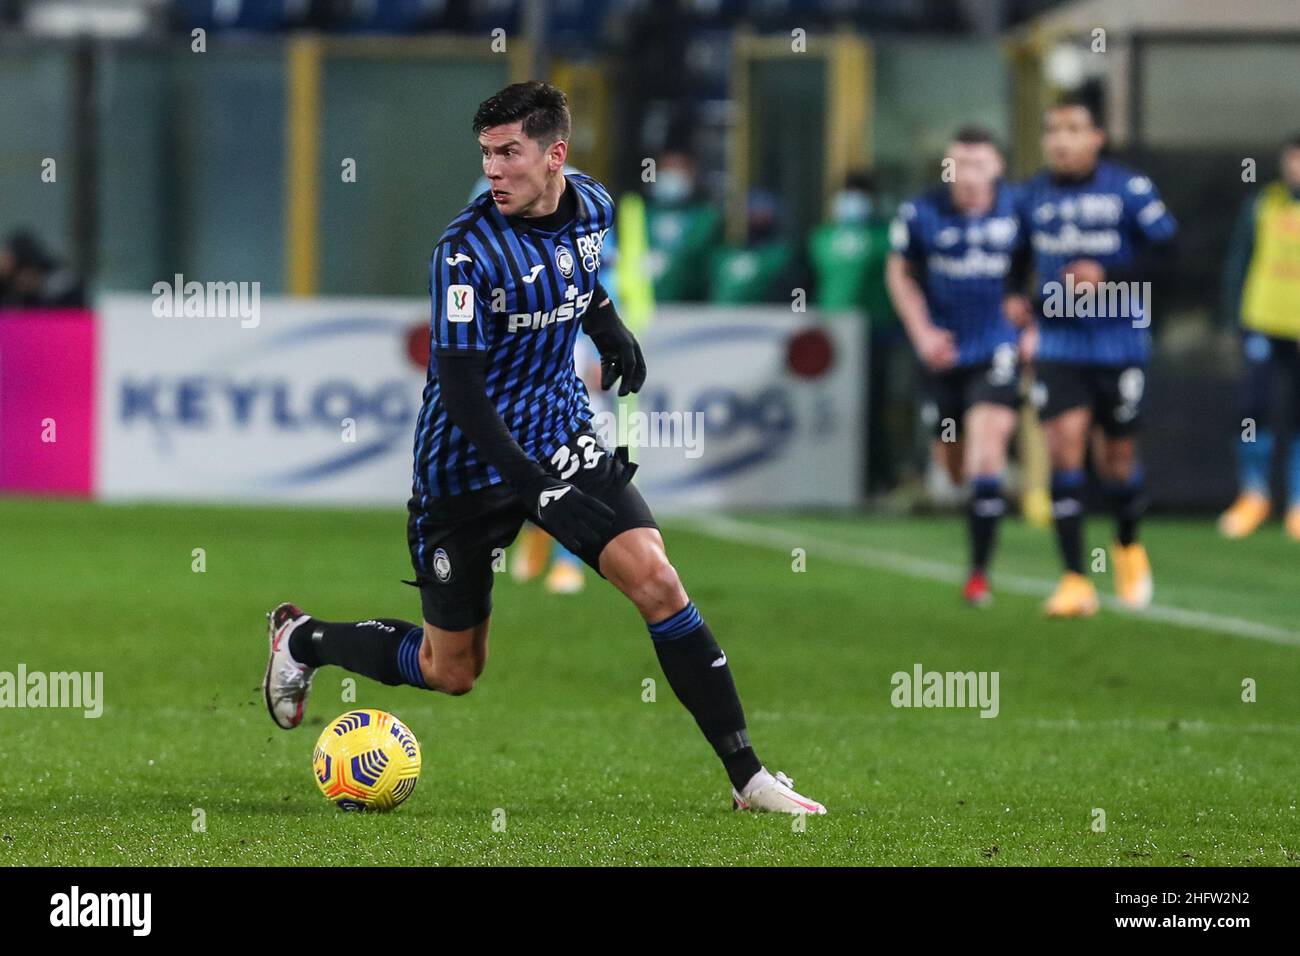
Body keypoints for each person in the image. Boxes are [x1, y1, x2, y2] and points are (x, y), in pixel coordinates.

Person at [262, 81, 824, 815]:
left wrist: (608, 324)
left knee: (657, 580)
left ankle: (749, 778)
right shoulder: (464, 252)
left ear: (555, 154)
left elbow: (578, 274)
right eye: (487, 154)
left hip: (560, 437)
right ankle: (302, 640)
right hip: (464, 470)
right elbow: (460, 389)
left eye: (509, 153)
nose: (493, 169)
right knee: (452, 670)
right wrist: (533, 489)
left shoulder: (590, 204)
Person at [1007, 93, 1177, 617]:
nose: (1060, 140)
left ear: (1097, 137)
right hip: (1060, 342)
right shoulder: (1030, 196)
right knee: (1064, 445)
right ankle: (1075, 579)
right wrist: (1016, 299)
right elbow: (1014, 259)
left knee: (1117, 460)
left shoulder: (1130, 189)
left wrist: (1108, 276)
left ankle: (1127, 544)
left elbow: (1168, 253)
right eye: (1052, 130)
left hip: (1120, 341)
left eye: (1073, 129)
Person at [886, 127, 1027, 606]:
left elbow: (1044, 266)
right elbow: (899, 272)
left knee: (986, 457)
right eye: (958, 165)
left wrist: (1033, 320)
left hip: (997, 349)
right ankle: (983, 488)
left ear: (997, 168)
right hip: (943, 353)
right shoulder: (921, 213)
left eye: (977, 165)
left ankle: (978, 576)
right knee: (955, 465)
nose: (966, 175)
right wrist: (923, 333)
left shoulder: (1020, 210)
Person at [1217, 133, 1300, 541]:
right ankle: (1253, 494)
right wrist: (1234, 319)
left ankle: (1299, 504)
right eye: (1293, 159)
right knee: (1253, 409)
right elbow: (1239, 260)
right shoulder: (1263, 203)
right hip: (1263, 323)